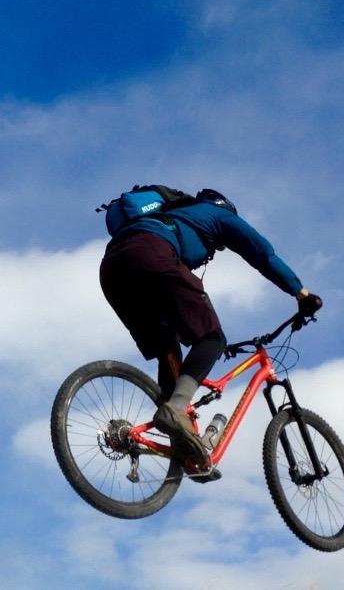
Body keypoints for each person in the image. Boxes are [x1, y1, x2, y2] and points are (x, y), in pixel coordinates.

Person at [99, 188, 322, 467]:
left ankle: (183, 443)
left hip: (112, 271)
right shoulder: (216, 214)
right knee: (212, 339)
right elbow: (262, 254)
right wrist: (301, 294)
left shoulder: (167, 218)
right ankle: (176, 409)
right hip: (152, 255)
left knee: (168, 345)